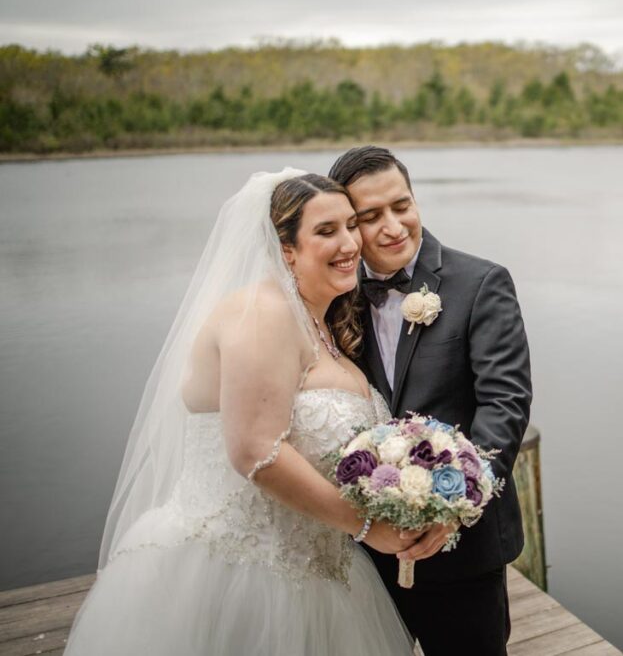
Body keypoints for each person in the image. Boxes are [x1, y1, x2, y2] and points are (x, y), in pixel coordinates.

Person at [64, 170, 414, 655]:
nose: (351, 242)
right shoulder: (261, 313)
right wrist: (367, 528)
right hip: (238, 572)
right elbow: (257, 452)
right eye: (326, 230)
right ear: (285, 248)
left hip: (320, 573)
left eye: (351, 225)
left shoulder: (323, 330)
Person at [328, 146, 532, 655]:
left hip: (464, 547)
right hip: (366, 548)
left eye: (402, 205)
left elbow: (504, 404)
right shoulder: (334, 294)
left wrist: (457, 506)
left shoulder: (481, 283)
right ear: (349, 226)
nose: (393, 226)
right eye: (370, 217)